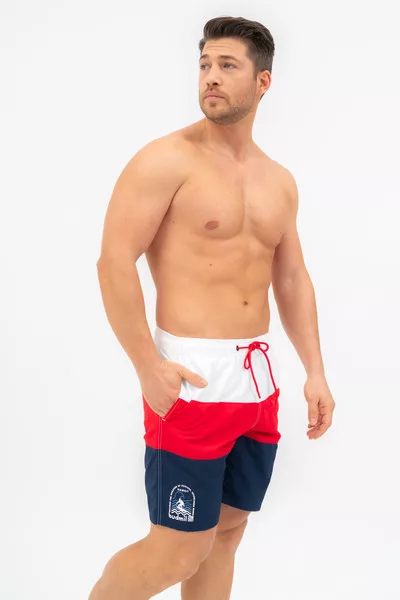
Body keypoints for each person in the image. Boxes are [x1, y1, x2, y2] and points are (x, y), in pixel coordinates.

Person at [90, 14, 336, 600]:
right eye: (205, 65)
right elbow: (113, 262)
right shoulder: (165, 161)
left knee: (226, 532)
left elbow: (291, 278)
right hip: (190, 379)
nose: (211, 77)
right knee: (178, 547)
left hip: (256, 380)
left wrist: (315, 371)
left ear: (263, 82)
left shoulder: (279, 181)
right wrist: (147, 366)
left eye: (227, 65)